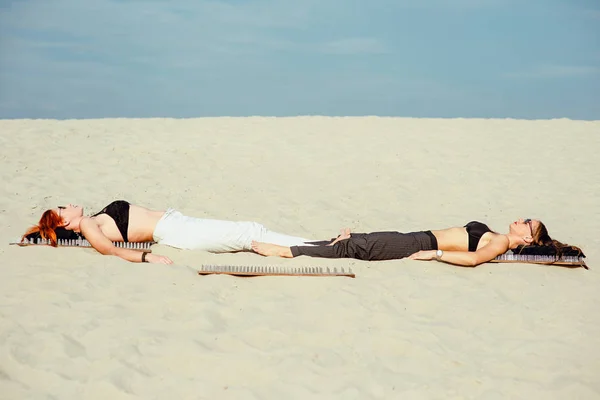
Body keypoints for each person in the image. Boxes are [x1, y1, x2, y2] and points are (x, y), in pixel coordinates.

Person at [22, 200, 314, 264]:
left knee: (252, 232)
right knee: (251, 233)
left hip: (179, 225)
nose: (69, 204)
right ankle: (321, 246)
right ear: (63, 223)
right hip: (178, 232)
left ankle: (319, 244)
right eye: (62, 209)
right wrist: (148, 258)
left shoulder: (93, 219)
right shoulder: (88, 225)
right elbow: (106, 249)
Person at [251, 219, 582, 267]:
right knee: (356, 238)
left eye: (528, 223)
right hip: (413, 236)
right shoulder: (497, 232)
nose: (522, 219)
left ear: (526, 237)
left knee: (355, 248)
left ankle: (285, 251)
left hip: (417, 245)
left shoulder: (499, 243)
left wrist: (435, 254)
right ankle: (291, 243)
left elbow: (474, 260)